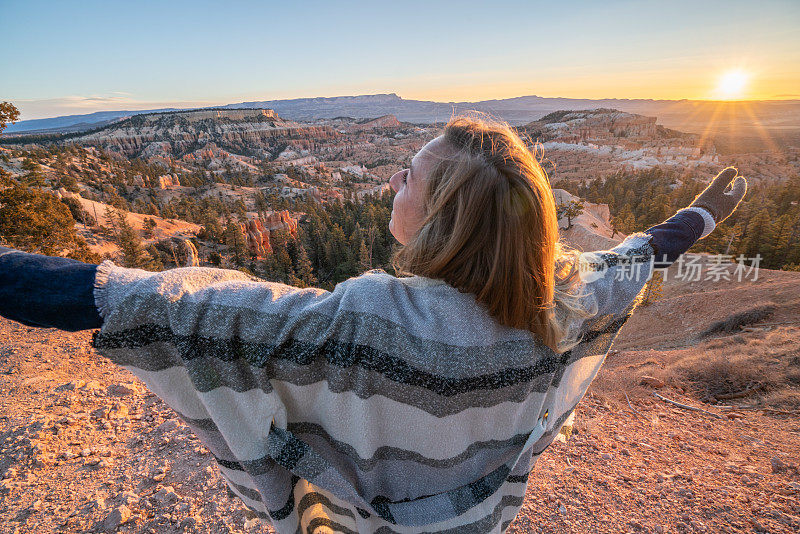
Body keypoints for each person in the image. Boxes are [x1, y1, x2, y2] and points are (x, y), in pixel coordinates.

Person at [0, 116, 746, 533]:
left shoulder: (368, 322)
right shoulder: (563, 295)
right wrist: (703, 215)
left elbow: (169, 306)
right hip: (482, 516)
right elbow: (641, 256)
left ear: (445, 216)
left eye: (408, 176)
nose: (393, 181)